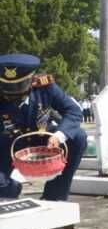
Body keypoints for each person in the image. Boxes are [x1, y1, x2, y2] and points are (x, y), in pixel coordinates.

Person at [0, 54, 87, 201]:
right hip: (6, 145)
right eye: (8, 86)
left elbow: (73, 111)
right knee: (3, 188)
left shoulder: (45, 87)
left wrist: (59, 136)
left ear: (31, 78)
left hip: (43, 139)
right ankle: (10, 190)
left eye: (19, 85)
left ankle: (55, 195)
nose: (13, 92)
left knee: (78, 136)